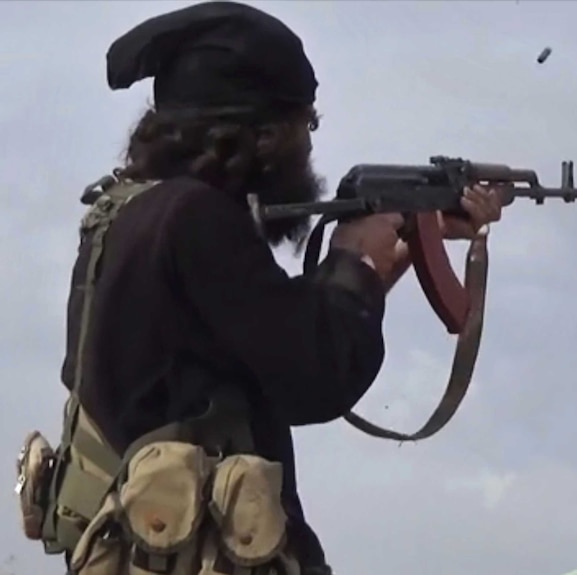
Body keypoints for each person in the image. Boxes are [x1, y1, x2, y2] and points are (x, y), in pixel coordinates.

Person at [21, 2, 504, 574]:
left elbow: (260, 349)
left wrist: (380, 266)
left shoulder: (128, 213)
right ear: (263, 134)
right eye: (305, 125)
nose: (308, 145)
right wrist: (356, 265)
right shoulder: (196, 220)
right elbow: (314, 375)